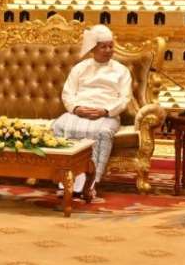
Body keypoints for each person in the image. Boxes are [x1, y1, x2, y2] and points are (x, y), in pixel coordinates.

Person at [50, 24, 132, 200]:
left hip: (106, 113)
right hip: (79, 111)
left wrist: (105, 111)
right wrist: (76, 108)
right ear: (93, 49)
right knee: (58, 126)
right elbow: (67, 93)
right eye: (104, 47)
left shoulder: (121, 70)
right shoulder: (80, 68)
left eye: (111, 46)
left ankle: (91, 184)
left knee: (102, 132)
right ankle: (64, 182)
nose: (108, 50)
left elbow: (125, 98)